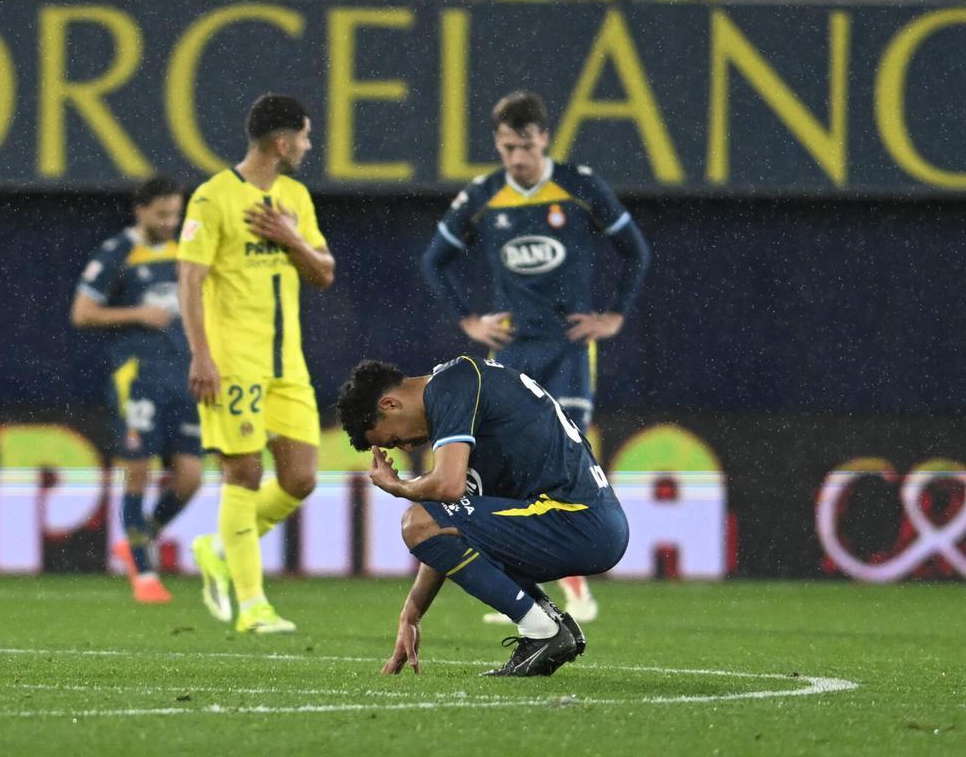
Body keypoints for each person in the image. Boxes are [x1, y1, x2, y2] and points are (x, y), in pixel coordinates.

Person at [421, 90, 650, 625]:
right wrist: (469, 320)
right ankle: (522, 587)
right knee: (502, 466)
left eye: (525, 146)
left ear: (544, 138)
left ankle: (577, 591)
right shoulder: (482, 196)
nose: (517, 158)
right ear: (498, 145)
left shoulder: (578, 185)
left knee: (569, 463)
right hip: (515, 353)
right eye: (507, 148)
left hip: (568, 350)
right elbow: (435, 261)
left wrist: (615, 315)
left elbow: (636, 249)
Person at [337, 356, 628, 676]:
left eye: (394, 440)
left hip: (575, 519)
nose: (405, 448)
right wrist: (411, 614)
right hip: (589, 522)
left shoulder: (450, 386)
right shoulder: (463, 398)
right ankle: (551, 622)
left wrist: (399, 486)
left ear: (390, 404)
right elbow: (447, 530)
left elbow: (446, 489)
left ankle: (542, 632)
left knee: (416, 519)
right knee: (428, 523)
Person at [177, 94, 335, 634]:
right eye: (306, 137)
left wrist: (289, 236)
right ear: (283, 142)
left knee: (301, 479)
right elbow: (190, 281)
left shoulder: (294, 197)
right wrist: (201, 353)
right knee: (243, 473)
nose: (309, 147)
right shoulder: (212, 198)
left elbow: (324, 272)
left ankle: (220, 548)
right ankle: (252, 605)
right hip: (233, 361)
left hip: (287, 363)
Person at [71, 176, 205, 604]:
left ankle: (138, 539)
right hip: (138, 377)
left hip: (183, 377)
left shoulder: (187, 250)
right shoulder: (117, 252)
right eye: (162, 214)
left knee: (191, 477)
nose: (170, 221)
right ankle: (144, 574)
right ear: (140, 211)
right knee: (139, 469)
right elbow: (82, 313)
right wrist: (138, 314)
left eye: (175, 213)